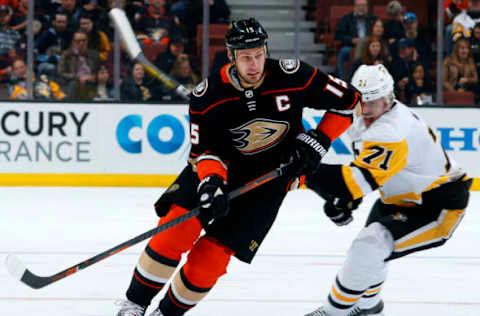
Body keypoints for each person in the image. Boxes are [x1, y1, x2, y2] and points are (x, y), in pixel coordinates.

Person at [114, 17, 361, 316]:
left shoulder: (294, 76)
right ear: (231, 56)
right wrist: (212, 183)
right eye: (246, 57)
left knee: (211, 261)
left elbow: (350, 101)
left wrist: (319, 139)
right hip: (219, 172)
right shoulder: (208, 95)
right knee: (175, 230)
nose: (254, 64)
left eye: (259, 54)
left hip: (268, 181)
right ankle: (133, 305)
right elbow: (203, 151)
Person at [303, 64, 472, 316]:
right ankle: (368, 306)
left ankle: (333, 313)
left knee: (369, 245)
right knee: (371, 249)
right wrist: (346, 200)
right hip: (399, 196)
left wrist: (303, 171)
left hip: (438, 205)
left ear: (389, 98)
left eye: (374, 100)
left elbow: (355, 181)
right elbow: (368, 171)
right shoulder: (368, 120)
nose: (367, 108)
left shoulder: (392, 130)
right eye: (362, 101)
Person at [334, 0, 376, 80]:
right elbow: (338, 35)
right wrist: (351, 40)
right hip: (352, 46)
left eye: (364, 5)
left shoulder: (372, 19)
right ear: (354, 7)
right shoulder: (346, 19)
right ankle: (343, 80)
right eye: (359, 5)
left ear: (367, 7)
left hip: (370, 45)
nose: (361, 8)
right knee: (344, 51)